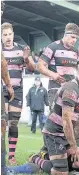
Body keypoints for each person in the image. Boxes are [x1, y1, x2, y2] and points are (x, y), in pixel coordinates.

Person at [42, 60, 79, 175]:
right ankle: (37, 159)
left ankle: (54, 156)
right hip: (54, 133)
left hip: (66, 134)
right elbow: (66, 121)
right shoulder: (71, 89)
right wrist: (73, 146)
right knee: (61, 172)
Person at [2, 22, 35, 165]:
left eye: (10, 34)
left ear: (13, 34)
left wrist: (27, 58)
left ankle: (11, 156)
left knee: (13, 124)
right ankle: (2, 155)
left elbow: (33, 69)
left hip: (17, 90)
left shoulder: (21, 49)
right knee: (2, 122)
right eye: (4, 35)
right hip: (2, 89)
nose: (8, 37)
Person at [37, 23, 79, 110]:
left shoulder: (75, 51)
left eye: (76, 38)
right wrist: (53, 75)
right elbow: (40, 66)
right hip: (55, 88)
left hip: (70, 89)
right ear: (65, 35)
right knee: (55, 118)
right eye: (72, 37)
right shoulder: (53, 46)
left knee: (70, 119)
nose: (74, 40)